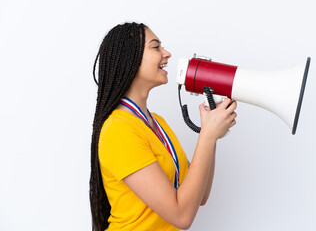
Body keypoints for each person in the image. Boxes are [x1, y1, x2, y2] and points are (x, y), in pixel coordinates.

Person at [90, 22, 237, 231]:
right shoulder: (119, 130)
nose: (166, 54)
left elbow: (200, 195)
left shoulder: (156, 123)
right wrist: (208, 136)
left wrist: (209, 131)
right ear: (129, 59)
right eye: (156, 47)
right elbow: (182, 216)